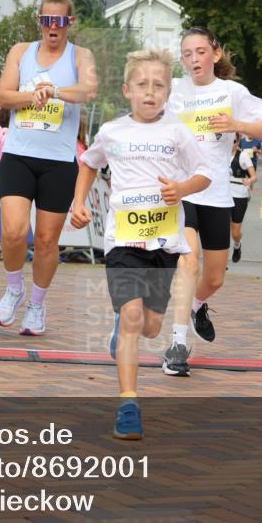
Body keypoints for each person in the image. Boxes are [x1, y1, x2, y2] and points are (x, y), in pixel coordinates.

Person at [71, 48, 211, 439]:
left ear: (168, 92)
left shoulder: (177, 131)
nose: (150, 93)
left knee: (150, 327)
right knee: (134, 320)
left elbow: (204, 174)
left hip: (164, 246)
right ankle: (128, 404)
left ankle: (126, 324)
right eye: (142, 85)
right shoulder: (113, 132)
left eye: (159, 85)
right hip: (124, 242)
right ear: (127, 89)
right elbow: (89, 163)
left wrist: (181, 188)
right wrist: (78, 201)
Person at [160, 27, 262, 376]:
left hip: (217, 193)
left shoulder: (232, 92)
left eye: (199, 51)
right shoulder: (174, 92)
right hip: (182, 190)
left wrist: (236, 123)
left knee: (214, 278)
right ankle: (178, 343)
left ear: (216, 53)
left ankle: (197, 306)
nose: (193, 59)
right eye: (186, 53)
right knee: (188, 261)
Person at [0, 0, 98, 335]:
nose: (53, 28)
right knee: (13, 231)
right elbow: (4, 97)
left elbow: (88, 91)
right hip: (20, 155)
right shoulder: (21, 52)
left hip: (58, 161)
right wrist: (31, 95)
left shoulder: (80, 55)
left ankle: (37, 305)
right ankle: (13, 289)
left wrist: (54, 91)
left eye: (60, 21)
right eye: (47, 21)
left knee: (48, 241)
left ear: (70, 23)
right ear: (39, 22)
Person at [229, 138, 256, 264]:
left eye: (234, 140)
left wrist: (250, 181)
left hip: (239, 194)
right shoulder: (219, 153)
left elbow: (254, 176)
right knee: (222, 228)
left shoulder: (243, 156)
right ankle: (222, 261)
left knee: (235, 231)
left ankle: (237, 245)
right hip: (222, 194)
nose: (231, 143)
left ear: (238, 142)